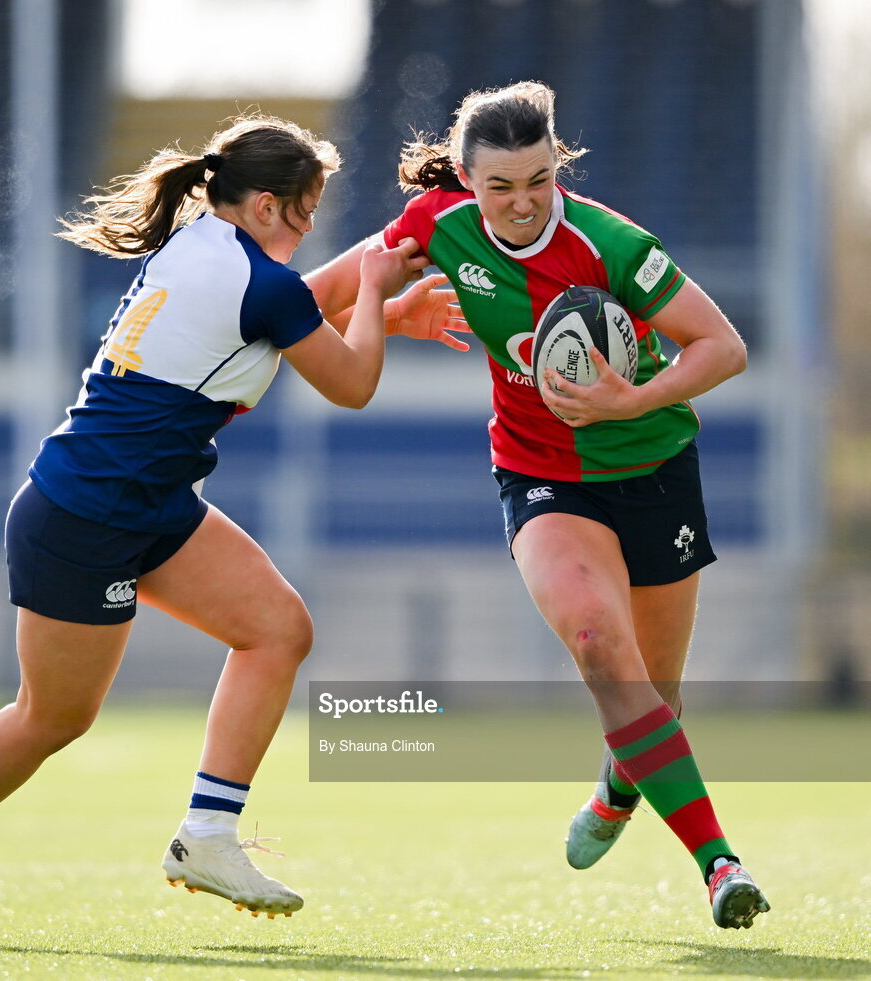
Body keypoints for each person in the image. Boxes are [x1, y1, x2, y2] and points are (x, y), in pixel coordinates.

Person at [0, 113, 466, 920]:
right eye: (305, 208)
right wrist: (379, 295)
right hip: (86, 513)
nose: (310, 224)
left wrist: (389, 293)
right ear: (264, 206)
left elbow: (296, 312)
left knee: (278, 629)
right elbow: (350, 378)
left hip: (142, 503)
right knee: (53, 716)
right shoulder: (258, 279)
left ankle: (207, 833)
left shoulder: (204, 245)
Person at [304, 81, 770, 930]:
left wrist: (633, 399)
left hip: (656, 465)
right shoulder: (434, 227)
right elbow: (315, 298)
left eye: (538, 182)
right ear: (464, 181)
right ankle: (720, 865)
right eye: (499, 187)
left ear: (558, 168)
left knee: (654, 702)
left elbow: (724, 346)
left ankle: (618, 785)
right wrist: (238, 314)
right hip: (541, 475)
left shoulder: (612, 243)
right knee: (599, 645)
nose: (522, 205)